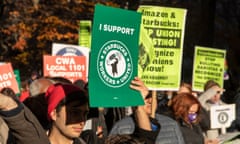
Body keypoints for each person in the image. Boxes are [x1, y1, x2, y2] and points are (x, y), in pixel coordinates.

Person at [110, 77, 185, 144]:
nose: (150, 100)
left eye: (153, 96)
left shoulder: (171, 124)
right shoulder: (121, 127)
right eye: (146, 97)